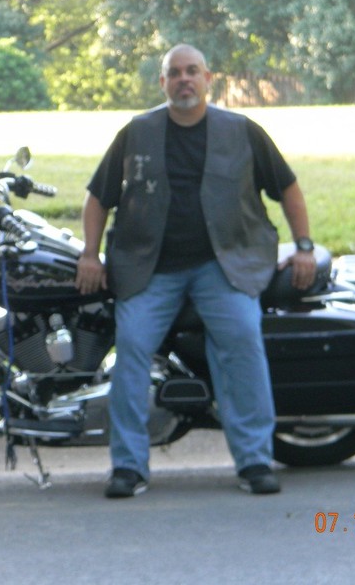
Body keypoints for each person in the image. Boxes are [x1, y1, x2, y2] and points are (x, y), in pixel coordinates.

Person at [74, 43, 317, 498]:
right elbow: (97, 197)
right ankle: (128, 466)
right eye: (174, 73)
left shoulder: (242, 131)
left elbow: (287, 187)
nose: (184, 79)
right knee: (131, 348)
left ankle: (254, 461)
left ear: (209, 79)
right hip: (150, 268)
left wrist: (303, 246)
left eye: (192, 71)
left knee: (242, 338)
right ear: (162, 82)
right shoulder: (137, 132)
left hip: (224, 265)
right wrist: (90, 254)